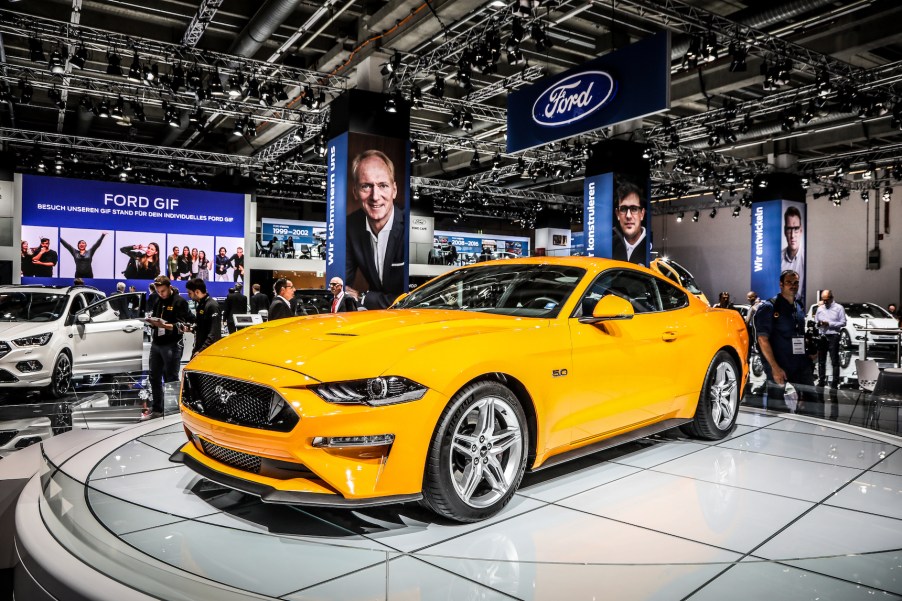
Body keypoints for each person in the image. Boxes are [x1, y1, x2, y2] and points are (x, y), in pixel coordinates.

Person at [345, 149, 406, 310]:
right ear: (355, 192)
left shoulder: (409, 225)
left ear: (394, 190)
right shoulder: (350, 226)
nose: (375, 196)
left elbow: (412, 298)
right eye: (366, 186)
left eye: (383, 185)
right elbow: (342, 288)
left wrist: (363, 297)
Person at [754, 270, 819, 416]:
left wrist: (810, 351)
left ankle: (806, 429)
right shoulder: (769, 307)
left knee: (812, 402)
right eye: (789, 282)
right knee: (776, 408)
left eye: (796, 283)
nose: (793, 286)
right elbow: (762, 339)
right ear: (781, 284)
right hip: (779, 365)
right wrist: (774, 368)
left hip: (800, 364)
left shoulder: (798, 306)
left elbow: (798, 334)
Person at [144, 275, 191, 419]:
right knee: (154, 376)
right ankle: (157, 409)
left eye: (163, 291)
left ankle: (172, 412)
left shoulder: (180, 302)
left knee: (171, 377)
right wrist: (151, 322)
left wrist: (164, 325)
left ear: (169, 287)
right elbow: (156, 319)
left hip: (172, 344)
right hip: (157, 343)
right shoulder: (157, 300)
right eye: (158, 291)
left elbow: (182, 326)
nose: (161, 294)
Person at [815, 289, 847, 388]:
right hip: (822, 336)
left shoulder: (839, 308)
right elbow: (816, 321)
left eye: (827, 300)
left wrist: (829, 324)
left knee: (834, 360)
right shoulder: (820, 308)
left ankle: (835, 382)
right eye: (823, 300)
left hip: (833, 336)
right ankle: (821, 380)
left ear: (832, 298)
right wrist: (819, 324)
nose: (825, 302)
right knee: (821, 361)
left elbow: (843, 322)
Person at [611, 179, 648, 265]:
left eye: (634, 209)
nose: (628, 216)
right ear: (617, 214)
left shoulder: (650, 245)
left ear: (642, 214)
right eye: (623, 209)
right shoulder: (610, 245)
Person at [184, 278, 221, 358]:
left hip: (208, 351)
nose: (188, 295)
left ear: (197, 292)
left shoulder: (212, 306)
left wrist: (201, 351)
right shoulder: (201, 305)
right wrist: (192, 329)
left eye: (190, 293)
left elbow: (214, 333)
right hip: (199, 347)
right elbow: (202, 327)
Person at [781, 206, 804, 298]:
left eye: (796, 229)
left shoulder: (806, 259)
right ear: (784, 231)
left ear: (801, 231)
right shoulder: (777, 259)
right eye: (789, 229)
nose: (792, 235)